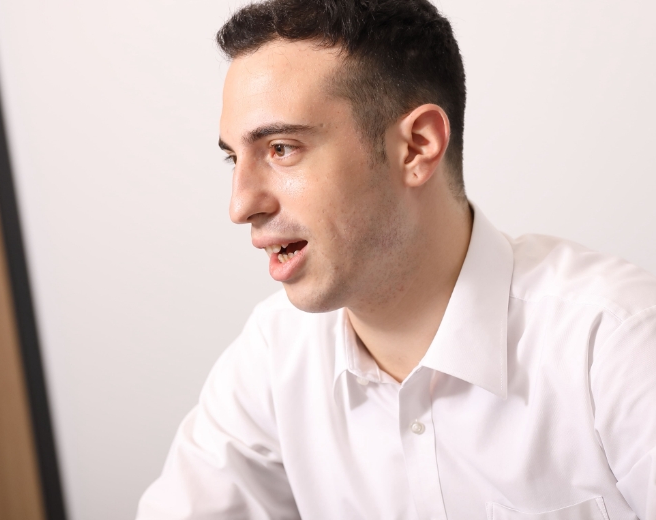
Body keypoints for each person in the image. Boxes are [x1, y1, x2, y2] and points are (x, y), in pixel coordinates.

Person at [137, 0, 656, 518]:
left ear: (416, 146)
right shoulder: (274, 357)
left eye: (281, 148)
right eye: (234, 157)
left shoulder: (617, 345)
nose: (240, 205)